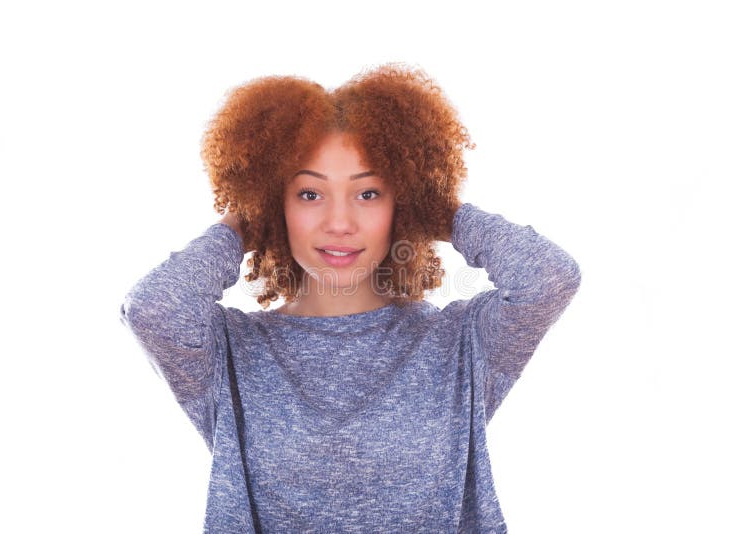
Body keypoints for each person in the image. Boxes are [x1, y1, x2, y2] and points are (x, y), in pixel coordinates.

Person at [119, 63, 581, 533]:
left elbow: (549, 278)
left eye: (368, 192)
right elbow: (154, 309)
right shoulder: (231, 354)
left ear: (402, 203)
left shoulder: (460, 343)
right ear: (274, 204)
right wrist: (242, 224)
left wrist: (441, 210)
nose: (339, 222)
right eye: (309, 193)